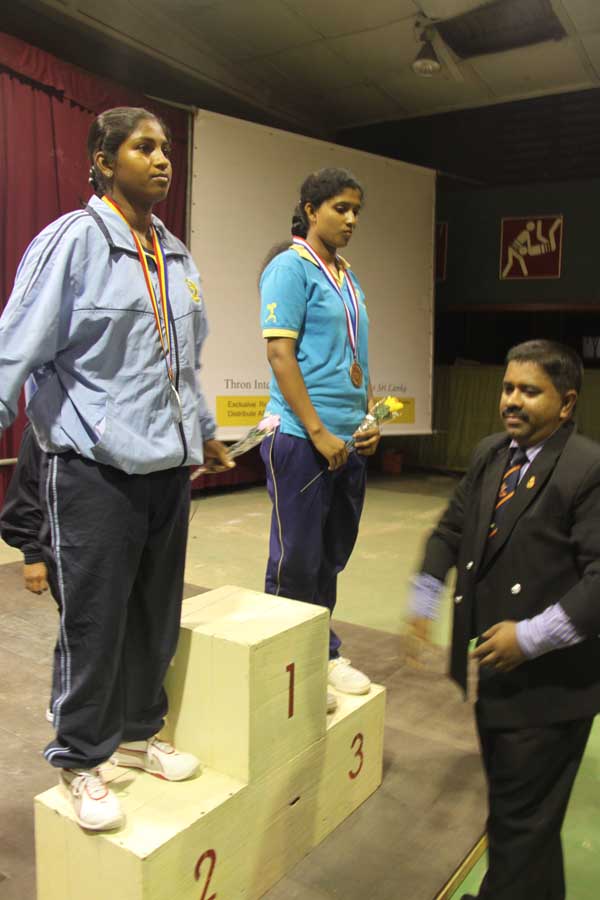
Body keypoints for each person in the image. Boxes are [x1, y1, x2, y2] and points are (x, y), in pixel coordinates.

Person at [0, 106, 232, 831]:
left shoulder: (175, 252)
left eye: (166, 148)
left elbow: (180, 367)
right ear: (102, 161)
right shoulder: (73, 241)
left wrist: (207, 433)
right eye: (143, 147)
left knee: (153, 618)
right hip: (93, 470)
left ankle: (135, 738)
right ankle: (78, 759)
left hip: (169, 471)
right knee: (94, 625)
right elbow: (13, 348)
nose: (161, 159)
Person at [408, 340, 600, 900]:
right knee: (525, 822)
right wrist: (424, 601)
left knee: (520, 823)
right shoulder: (494, 452)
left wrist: (531, 637)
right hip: (497, 678)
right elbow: (450, 530)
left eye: (529, 391)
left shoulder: (587, 469)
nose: (511, 401)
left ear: (566, 404)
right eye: (507, 388)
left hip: (551, 686)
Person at [259, 168, 380, 714]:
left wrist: (368, 417)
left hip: (346, 442)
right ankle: (289, 669)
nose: (351, 219)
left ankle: (322, 653)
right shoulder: (291, 268)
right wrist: (317, 431)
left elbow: (357, 359)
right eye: (340, 208)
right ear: (310, 209)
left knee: (331, 554)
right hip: (301, 439)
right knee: (296, 560)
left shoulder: (348, 276)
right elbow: (281, 355)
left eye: (356, 210)